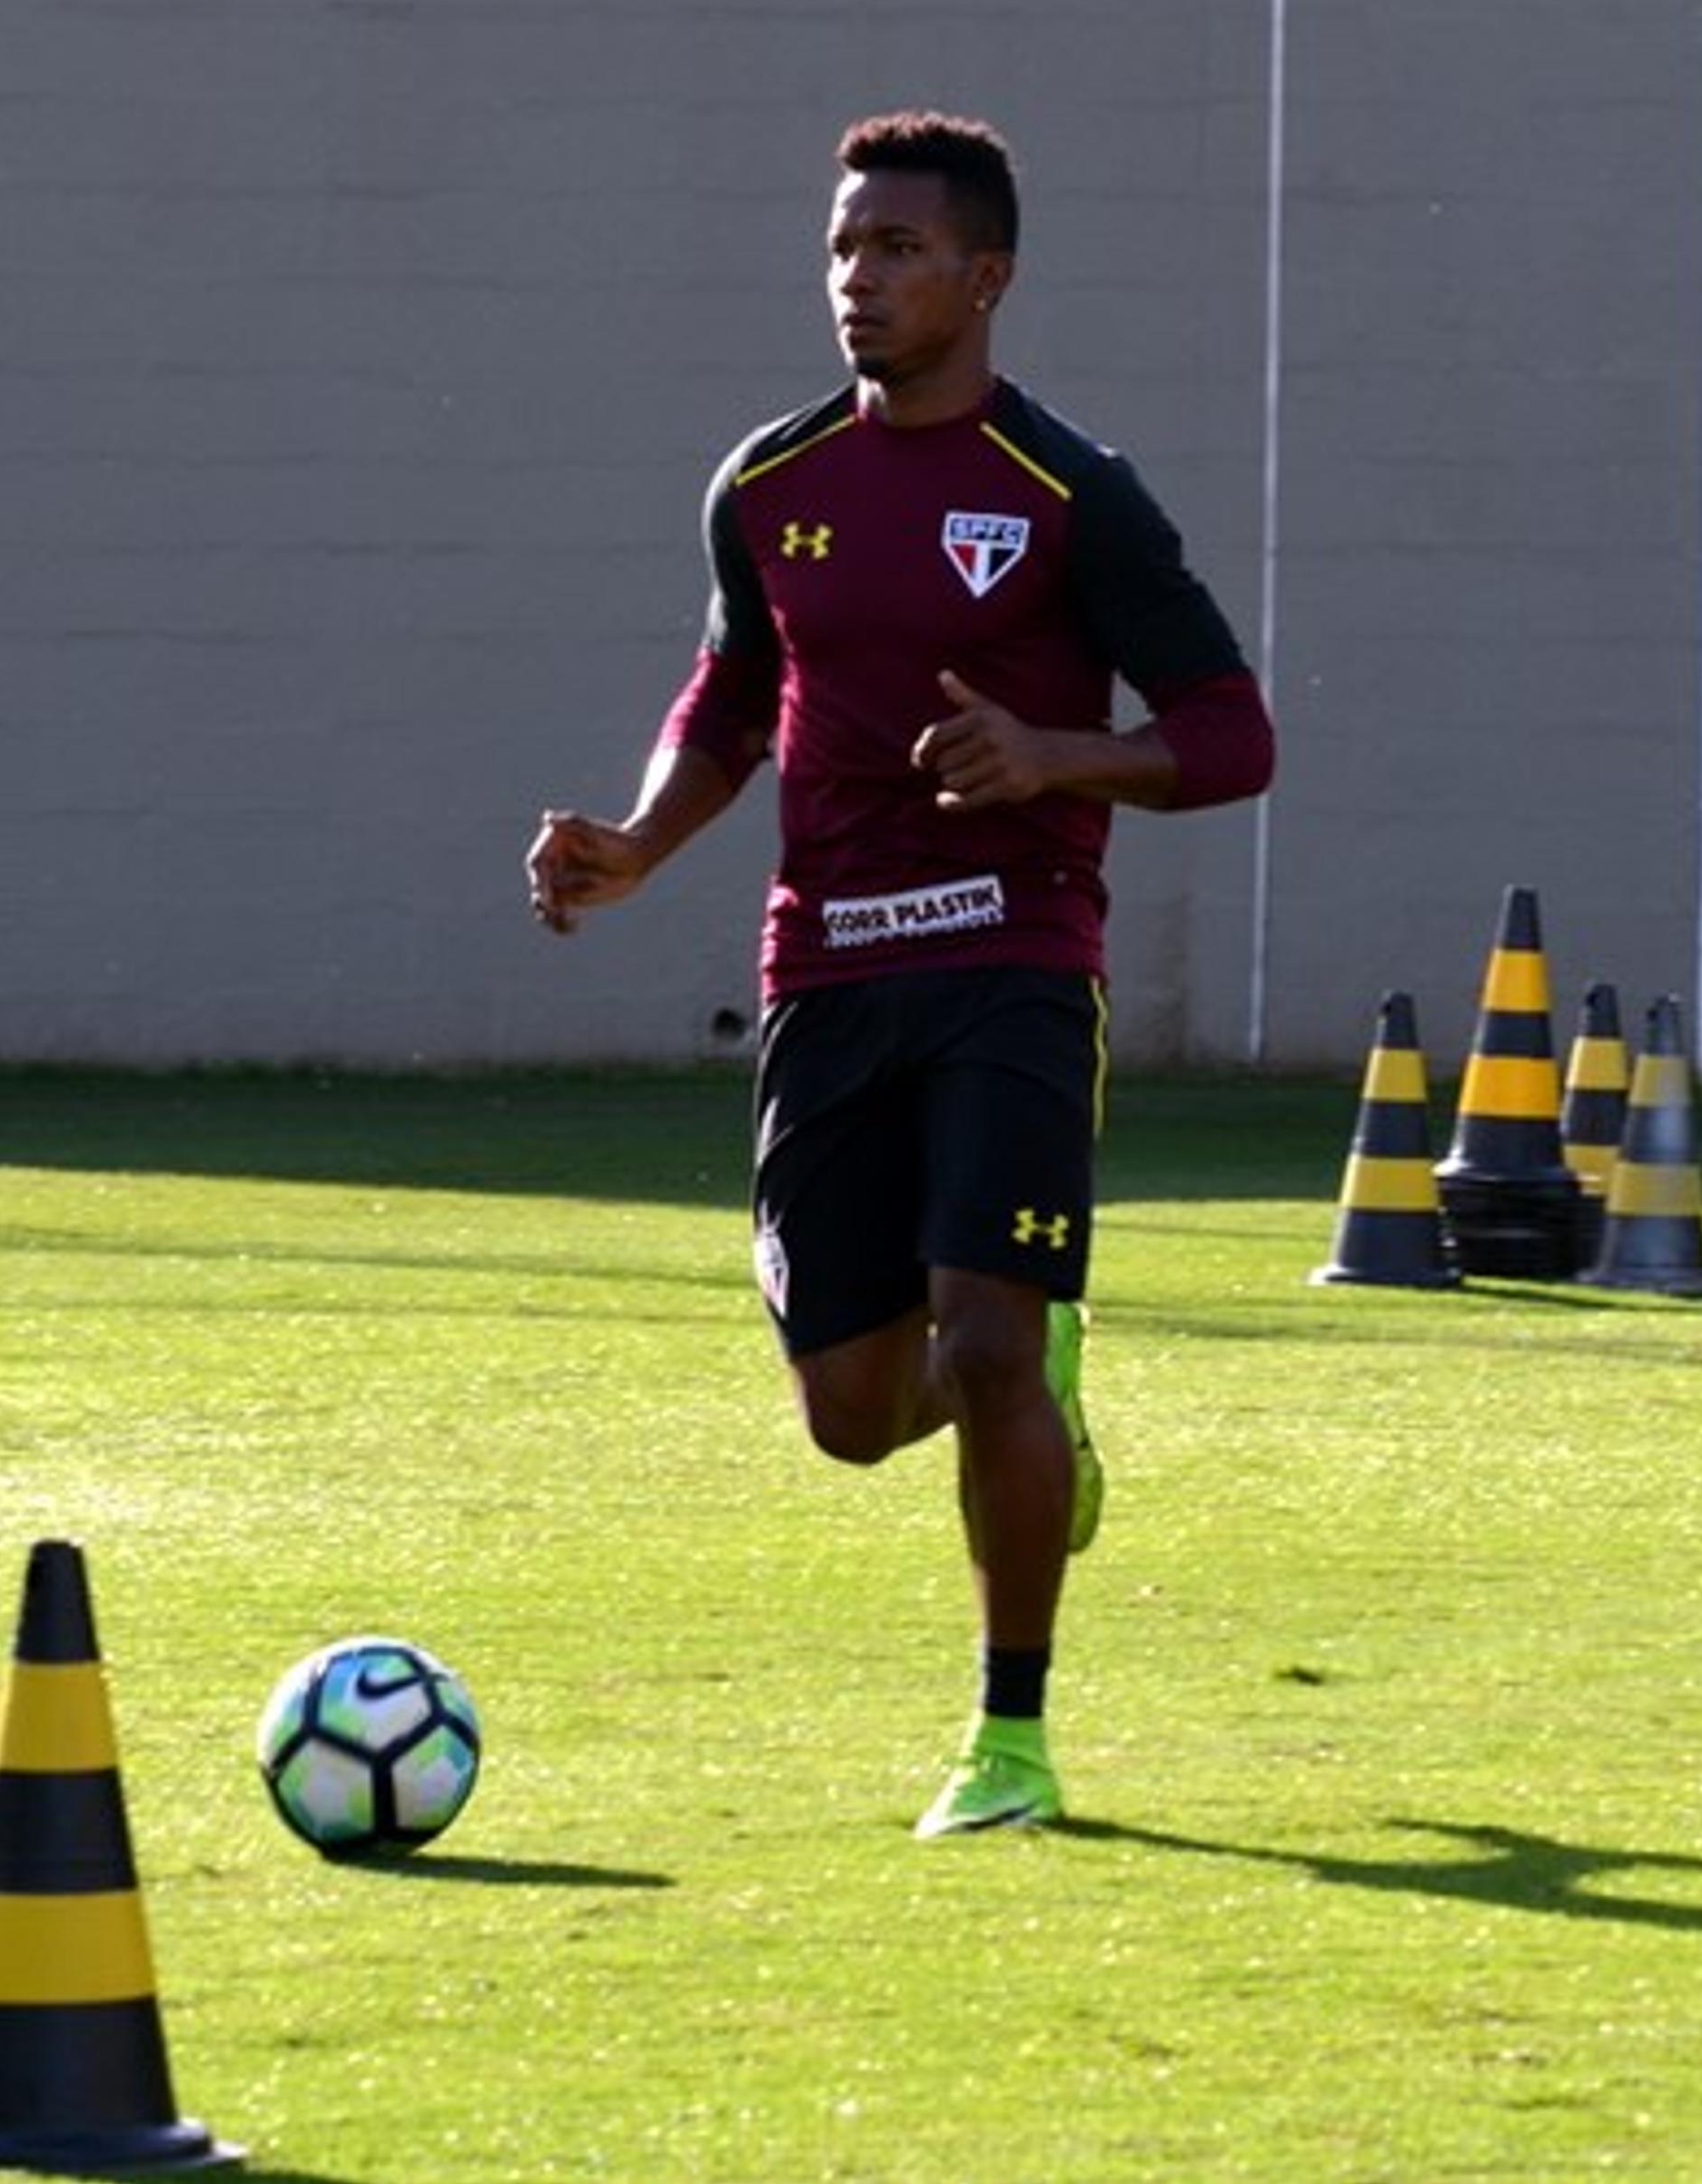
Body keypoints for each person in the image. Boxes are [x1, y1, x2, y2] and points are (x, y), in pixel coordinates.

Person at [524, 110, 1274, 1837]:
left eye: (900, 250)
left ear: (987, 275)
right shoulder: (766, 487)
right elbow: (730, 703)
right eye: (845, 248)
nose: (859, 280)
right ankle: (1015, 1383)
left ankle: (1011, 1739)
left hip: (1013, 963)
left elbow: (1235, 739)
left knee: (994, 1347)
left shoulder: (1074, 496)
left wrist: (1056, 756)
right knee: (857, 1418)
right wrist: (639, 844)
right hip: (826, 979)